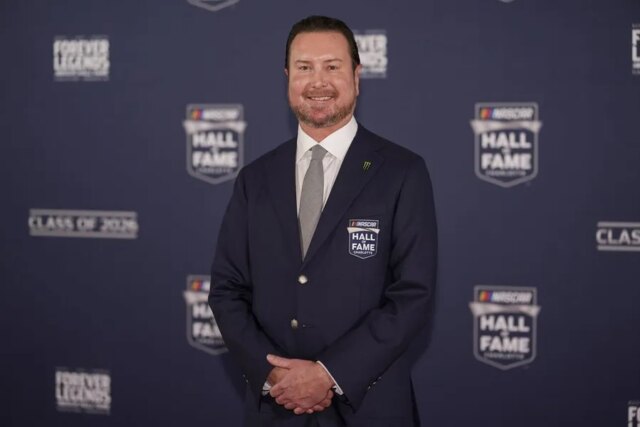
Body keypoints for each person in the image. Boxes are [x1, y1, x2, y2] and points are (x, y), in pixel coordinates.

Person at [209, 15, 437, 427]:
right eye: (304, 67)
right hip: (276, 409)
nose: (318, 82)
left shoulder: (402, 172)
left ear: (357, 76)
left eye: (332, 66)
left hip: (369, 409)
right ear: (287, 77)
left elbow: (412, 295)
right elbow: (227, 290)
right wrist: (274, 375)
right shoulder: (254, 179)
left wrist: (329, 375)